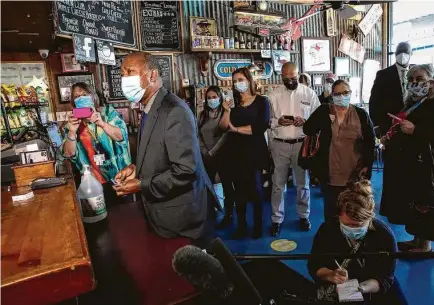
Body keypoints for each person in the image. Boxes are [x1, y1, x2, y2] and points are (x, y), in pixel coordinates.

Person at [113, 52, 221, 247]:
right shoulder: (149, 108)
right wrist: (136, 168)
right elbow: (159, 152)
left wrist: (141, 184)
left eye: (130, 72)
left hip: (182, 220)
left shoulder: (174, 111)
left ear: (152, 75)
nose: (124, 79)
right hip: (163, 214)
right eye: (122, 74)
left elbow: (186, 170)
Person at [308, 180, 408, 305]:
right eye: (346, 224)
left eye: (358, 225)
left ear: (370, 217)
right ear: (339, 216)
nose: (352, 229)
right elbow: (314, 264)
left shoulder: (384, 235)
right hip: (338, 285)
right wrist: (329, 275)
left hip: (372, 284)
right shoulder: (327, 230)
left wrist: (360, 288)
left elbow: (385, 278)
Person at [380, 64, 434, 253]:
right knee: (414, 202)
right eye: (411, 80)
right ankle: (416, 239)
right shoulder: (411, 104)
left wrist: (416, 130)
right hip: (410, 163)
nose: (415, 83)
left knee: (424, 202)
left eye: (419, 79)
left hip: (427, 164)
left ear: (431, 82)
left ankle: (425, 245)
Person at [303, 80, 375, 221]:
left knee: (353, 213)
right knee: (331, 213)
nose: (342, 96)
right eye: (338, 94)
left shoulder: (360, 114)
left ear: (351, 94)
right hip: (330, 174)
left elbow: (370, 142)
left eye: (345, 93)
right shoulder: (324, 110)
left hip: (354, 174)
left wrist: (367, 166)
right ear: (332, 95)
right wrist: (322, 118)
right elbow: (308, 129)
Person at [268, 62, 320, 235]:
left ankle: (304, 216)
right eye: (286, 78)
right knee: (277, 185)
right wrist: (278, 121)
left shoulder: (309, 94)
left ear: (298, 74)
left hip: (301, 144)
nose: (290, 80)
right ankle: (277, 219)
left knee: (303, 184)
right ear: (281, 77)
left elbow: (318, 118)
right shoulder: (273, 95)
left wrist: (306, 122)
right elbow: (267, 121)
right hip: (279, 143)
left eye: (294, 77)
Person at [219, 67, 270, 239]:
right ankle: (241, 226)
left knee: (256, 189)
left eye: (240, 80)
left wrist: (237, 129)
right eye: (234, 81)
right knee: (238, 192)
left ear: (249, 80)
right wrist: (226, 111)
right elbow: (223, 127)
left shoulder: (262, 101)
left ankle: (257, 226)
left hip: (255, 151)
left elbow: (260, 127)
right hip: (235, 152)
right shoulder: (232, 103)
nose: (237, 84)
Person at [61, 82, 131, 200]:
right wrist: (72, 131)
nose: (81, 98)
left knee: (126, 214)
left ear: (92, 96)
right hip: (92, 183)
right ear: (73, 102)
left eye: (84, 94)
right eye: (76, 96)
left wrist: (102, 124)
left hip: (120, 177)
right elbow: (68, 153)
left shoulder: (108, 112)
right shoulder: (72, 122)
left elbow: (121, 136)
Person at [198, 86, 235, 228]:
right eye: (209, 97)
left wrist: (212, 151)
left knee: (227, 186)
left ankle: (229, 215)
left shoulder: (225, 113)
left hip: (223, 155)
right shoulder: (202, 115)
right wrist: (204, 151)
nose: (212, 100)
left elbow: (226, 134)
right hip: (206, 156)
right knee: (208, 186)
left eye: (214, 97)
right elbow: (198, 134)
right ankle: (211, 212)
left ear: (220, 97)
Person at [369, 42, 412, 137]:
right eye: (399, 52)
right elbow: (374, 101)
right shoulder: (383, 74)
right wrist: (375, 125)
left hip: (412, 123)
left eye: (406, 52)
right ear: (395, 54)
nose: (402, 55)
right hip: (389, 124)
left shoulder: (417, 71)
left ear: (411, 54)